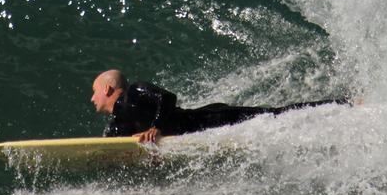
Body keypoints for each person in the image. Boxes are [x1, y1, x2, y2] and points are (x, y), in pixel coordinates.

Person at [90, 69, 349, 143]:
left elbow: (167, 99)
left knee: (276, 115)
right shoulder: (117, 125)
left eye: (94, 92)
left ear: (107, 89)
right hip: (196, 137)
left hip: (210, 120)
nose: (92, 99)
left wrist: (156, 128)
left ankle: (343, 106)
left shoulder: (135, 91)